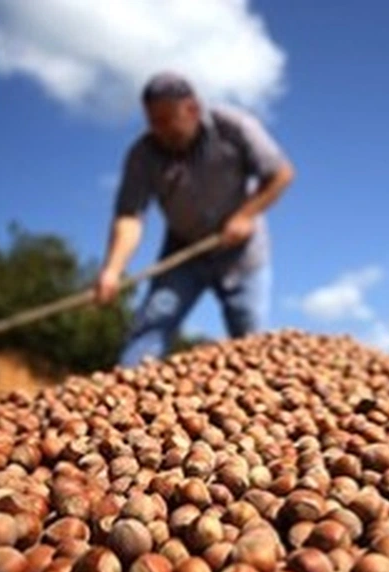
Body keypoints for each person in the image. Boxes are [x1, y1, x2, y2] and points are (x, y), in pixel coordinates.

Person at [94, 71, 296, 365]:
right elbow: (130, 217)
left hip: (242, 252)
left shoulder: (234, 127)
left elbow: (280, 174)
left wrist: (245, 216)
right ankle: (124, 392)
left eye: (167, 120)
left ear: (192, 109)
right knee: (151, 324)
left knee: (250, 341)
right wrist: (112, 269)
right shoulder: (142, 155)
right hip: (184, 250)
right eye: (153, 121)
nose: (160, 130)